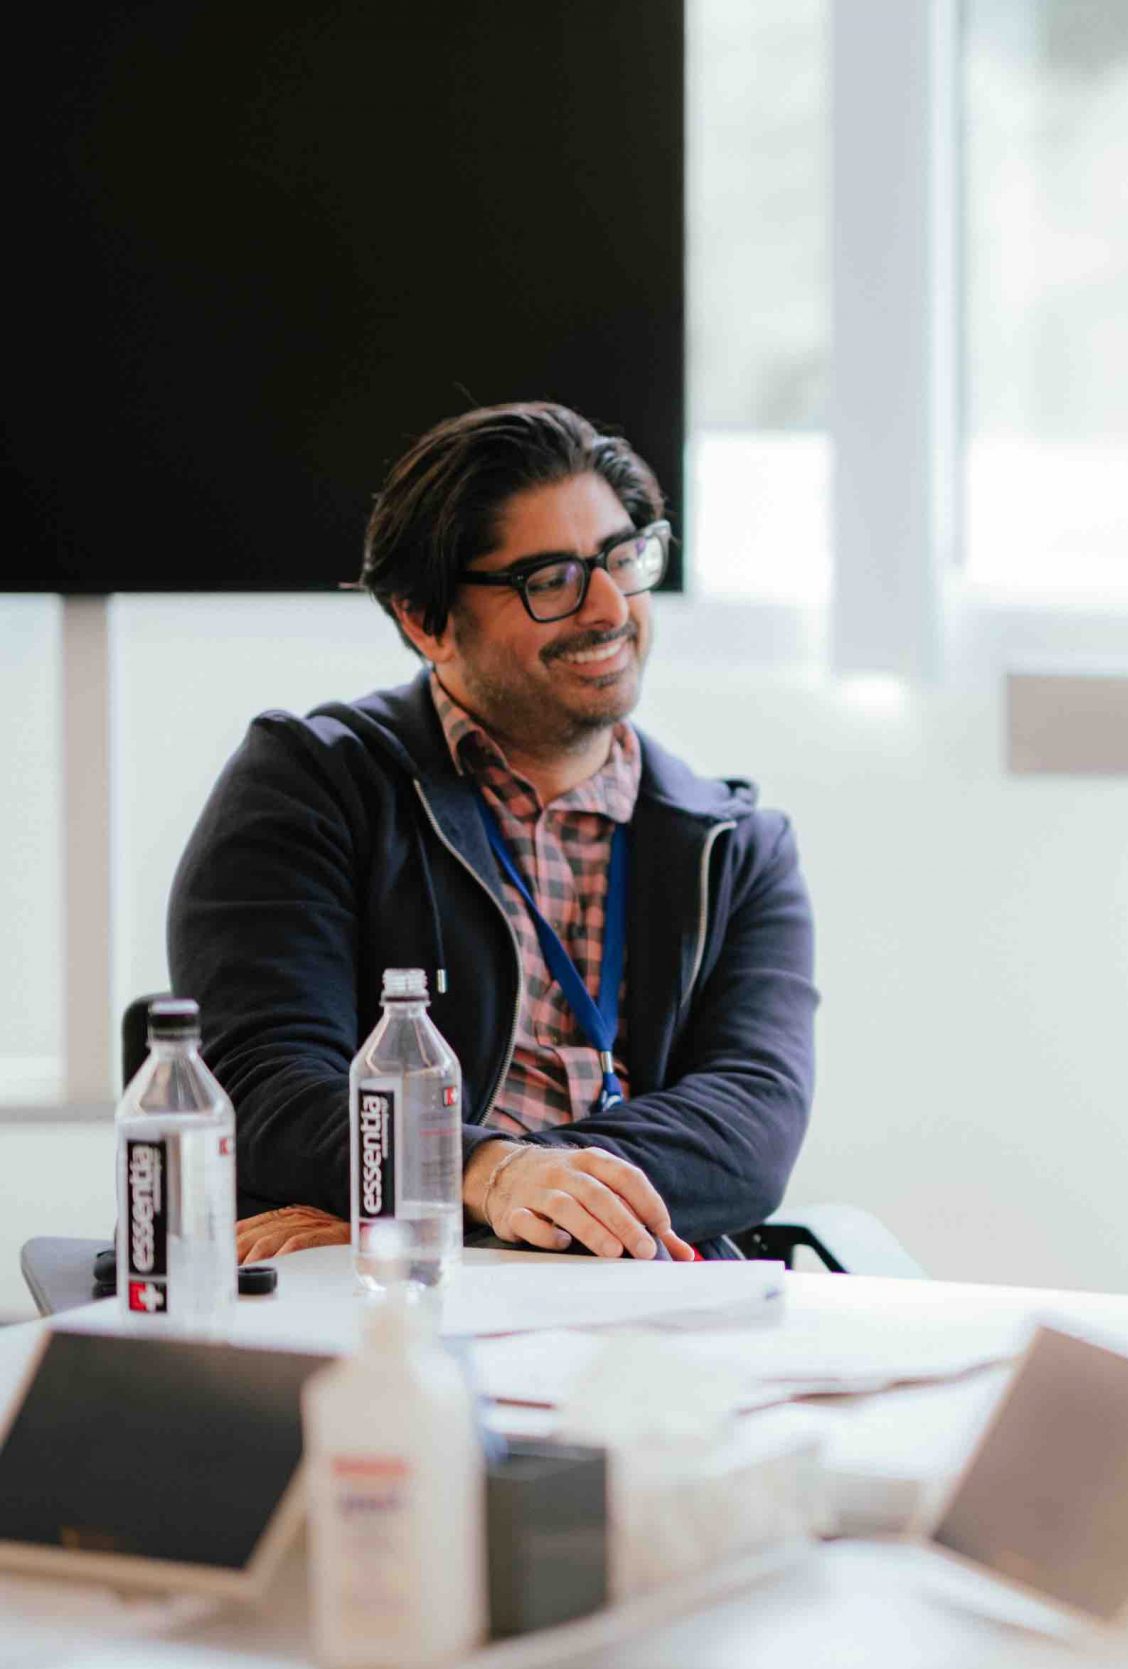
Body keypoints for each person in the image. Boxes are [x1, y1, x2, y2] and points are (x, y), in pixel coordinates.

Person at [170, 402, 818, 1262]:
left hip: (618, 1297)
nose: (608, 608)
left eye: (622, 558)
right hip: (370, 1300)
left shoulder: (733, 848)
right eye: (549, 579)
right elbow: (262, 1085)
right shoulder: (310, 784)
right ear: (424, 620)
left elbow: (750, 1124)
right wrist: (487, 1179)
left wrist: (469, 1195)